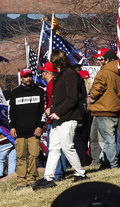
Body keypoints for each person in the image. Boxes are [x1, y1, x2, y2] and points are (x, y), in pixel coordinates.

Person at [38, 52, 89, 189]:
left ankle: (80, 173)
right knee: (53, 148)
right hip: (58, 118)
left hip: (68, 117)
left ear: (57, 62)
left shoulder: (70, 74)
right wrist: (51, 110)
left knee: (67, 146)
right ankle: (48, 177)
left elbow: (72, 98)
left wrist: (58, 112)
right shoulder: (60, 76)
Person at [8, 68, 47, 189]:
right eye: (25, 76)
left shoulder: (40, 91)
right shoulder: (15, 93)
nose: (28, 78)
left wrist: (40, 126)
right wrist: (12, 127)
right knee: (21, 157)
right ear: (21, 78)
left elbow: (43, 111)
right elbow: (11, 112)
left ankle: (32, 179)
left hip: (34, 131)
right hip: (19, 131)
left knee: (35, 155)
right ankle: (21, 181)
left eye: (30, 76)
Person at [89, 50, 120, 169]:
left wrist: (91, 98)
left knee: (108, 139)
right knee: (113, 137)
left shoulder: (104, 72)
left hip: (104, 109)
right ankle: (109, 162)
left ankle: (111, 164)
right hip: (115, 108)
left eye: (101, 59)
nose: (99, 62)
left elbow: (97, 89)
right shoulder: (118, 71)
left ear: (107, 60)